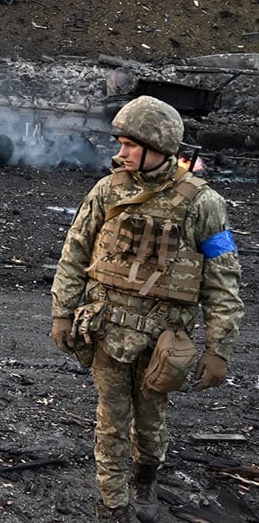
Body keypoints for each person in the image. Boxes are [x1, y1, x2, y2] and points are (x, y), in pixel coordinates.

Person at [49, 95, 243, 522]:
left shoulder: (203, 203)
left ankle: (146, 481)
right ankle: (114, 504)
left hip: (163, 338)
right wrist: (63, 310)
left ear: (159, 147)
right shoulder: (108, 190)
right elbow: (75, 251)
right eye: (120, 143)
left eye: (129, 145)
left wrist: (218, 348)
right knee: (111, 420)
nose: (120, 153)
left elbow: (223, 278)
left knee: (152, 422)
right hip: (105, 328)